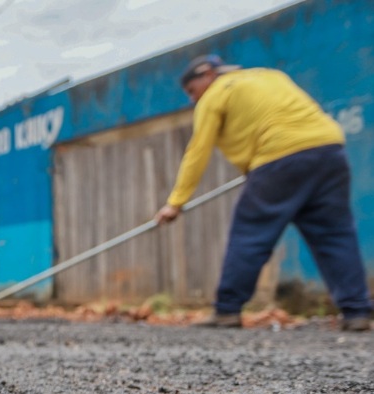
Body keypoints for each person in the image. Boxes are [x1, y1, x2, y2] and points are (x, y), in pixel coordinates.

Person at [155, 55, 372, 331]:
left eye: (191, 91)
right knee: (335, 235)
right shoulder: (270, 76)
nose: (192, 99)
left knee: (250, 233)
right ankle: (357, 312)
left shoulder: (216, 93)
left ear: (207, 75)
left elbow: (197, 151)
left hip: (278, 157)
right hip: (329, 151)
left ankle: (227, 310)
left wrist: (175, 203)